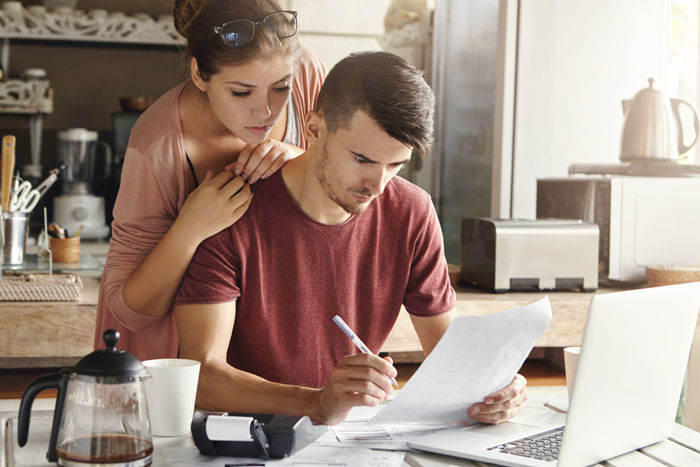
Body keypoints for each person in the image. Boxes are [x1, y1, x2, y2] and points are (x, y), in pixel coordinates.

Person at [173, 51, 528, 425]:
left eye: (395, 165)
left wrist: (496, 387)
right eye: (362, 159)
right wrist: (315, 403)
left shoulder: (411, 211)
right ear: (314, 128)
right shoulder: (231, 210)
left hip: (355, 443)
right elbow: (201, 375)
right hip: (251, 444)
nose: (377, 186)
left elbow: (451, 359)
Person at [94, 0, 326, 360]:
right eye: (241, 92)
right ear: (200, 75)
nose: (265, 111)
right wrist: (189, 229)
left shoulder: (307, 73)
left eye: (280, 87)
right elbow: (129, 311)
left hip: (277, 344)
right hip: (179, 365)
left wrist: (304, 160)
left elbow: (353, 176)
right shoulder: (156, 146)